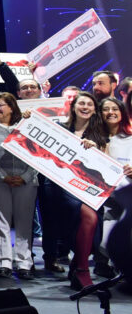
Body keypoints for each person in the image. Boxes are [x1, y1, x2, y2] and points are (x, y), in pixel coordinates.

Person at [0, 93, 37, 279]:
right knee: (1, 222)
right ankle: (4, 262)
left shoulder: (26, 126)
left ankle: (24, 262)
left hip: (26, 181)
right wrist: (3, 177)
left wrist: (25, 177)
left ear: (11, 107)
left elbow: (39, 154)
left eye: (0, 105)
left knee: (24, 223)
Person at [58, 91, 109, 290]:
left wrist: (96, 150)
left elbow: (105, 166)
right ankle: (81, 269)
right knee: (86, 219)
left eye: (89, 104)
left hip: (89, 189)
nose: (85, 107)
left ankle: (80, 268)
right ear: (73, 107)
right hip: (61, 186)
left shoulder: (100, 134)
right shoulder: (60, 128)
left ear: (95, 110)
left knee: (92, 220)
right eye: (81, 103)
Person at [100, 97, 132, 277]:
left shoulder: (130, 138)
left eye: (115, 109)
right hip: (103, 198)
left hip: (126, 197)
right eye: (106, 109)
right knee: (105, 243)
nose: (110, 112)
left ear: (122, 113)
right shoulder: (94, 138)